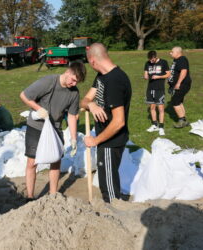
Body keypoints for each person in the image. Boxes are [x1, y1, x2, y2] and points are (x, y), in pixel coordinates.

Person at [20, 61, 86, 201]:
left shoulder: (74, 93)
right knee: (32, 162)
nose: (74, 84)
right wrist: (39, 109)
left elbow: (72, 115)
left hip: (55, 128)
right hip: (37, 126)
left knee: (56, 161)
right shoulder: (49, 81)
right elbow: (24, 95)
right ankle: (30, 196)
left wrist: (73, 138)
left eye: (77, 82)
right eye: (74, 80)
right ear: (68, 72)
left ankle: (53, 195)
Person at [80, 43, 132, 203]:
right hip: (104, 139)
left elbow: (119, 122)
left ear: (93, 61)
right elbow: (85, 100)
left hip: (111, 141)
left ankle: (114, 215)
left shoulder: (115, 81)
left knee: (108, 187)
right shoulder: (102, 77)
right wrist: (91, 105)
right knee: (105, 179)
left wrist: (95, 141)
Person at [143, 50, 170, 136]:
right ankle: (154, 125)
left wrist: (159, 76)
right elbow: (145, 74)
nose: (151, 61)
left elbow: (168, 74)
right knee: (152, 108)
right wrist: (145, 76)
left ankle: (161, 127)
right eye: (150, 59)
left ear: (155, 57)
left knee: (161, 109)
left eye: (152, 59)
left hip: (160, 89)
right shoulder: (147, 63)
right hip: (150, 88)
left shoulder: (163, 62)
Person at [168, 46, 192, 128]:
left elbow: (184, 71)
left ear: (178, 52)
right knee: (179, 101)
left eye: (172, 52)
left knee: (175, 102)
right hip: (177, 85)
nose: (170, 53)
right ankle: (184, 121)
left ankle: (181, 121)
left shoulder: (182, 59)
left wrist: (178, 83)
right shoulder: (176, 60)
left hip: (182, 84)